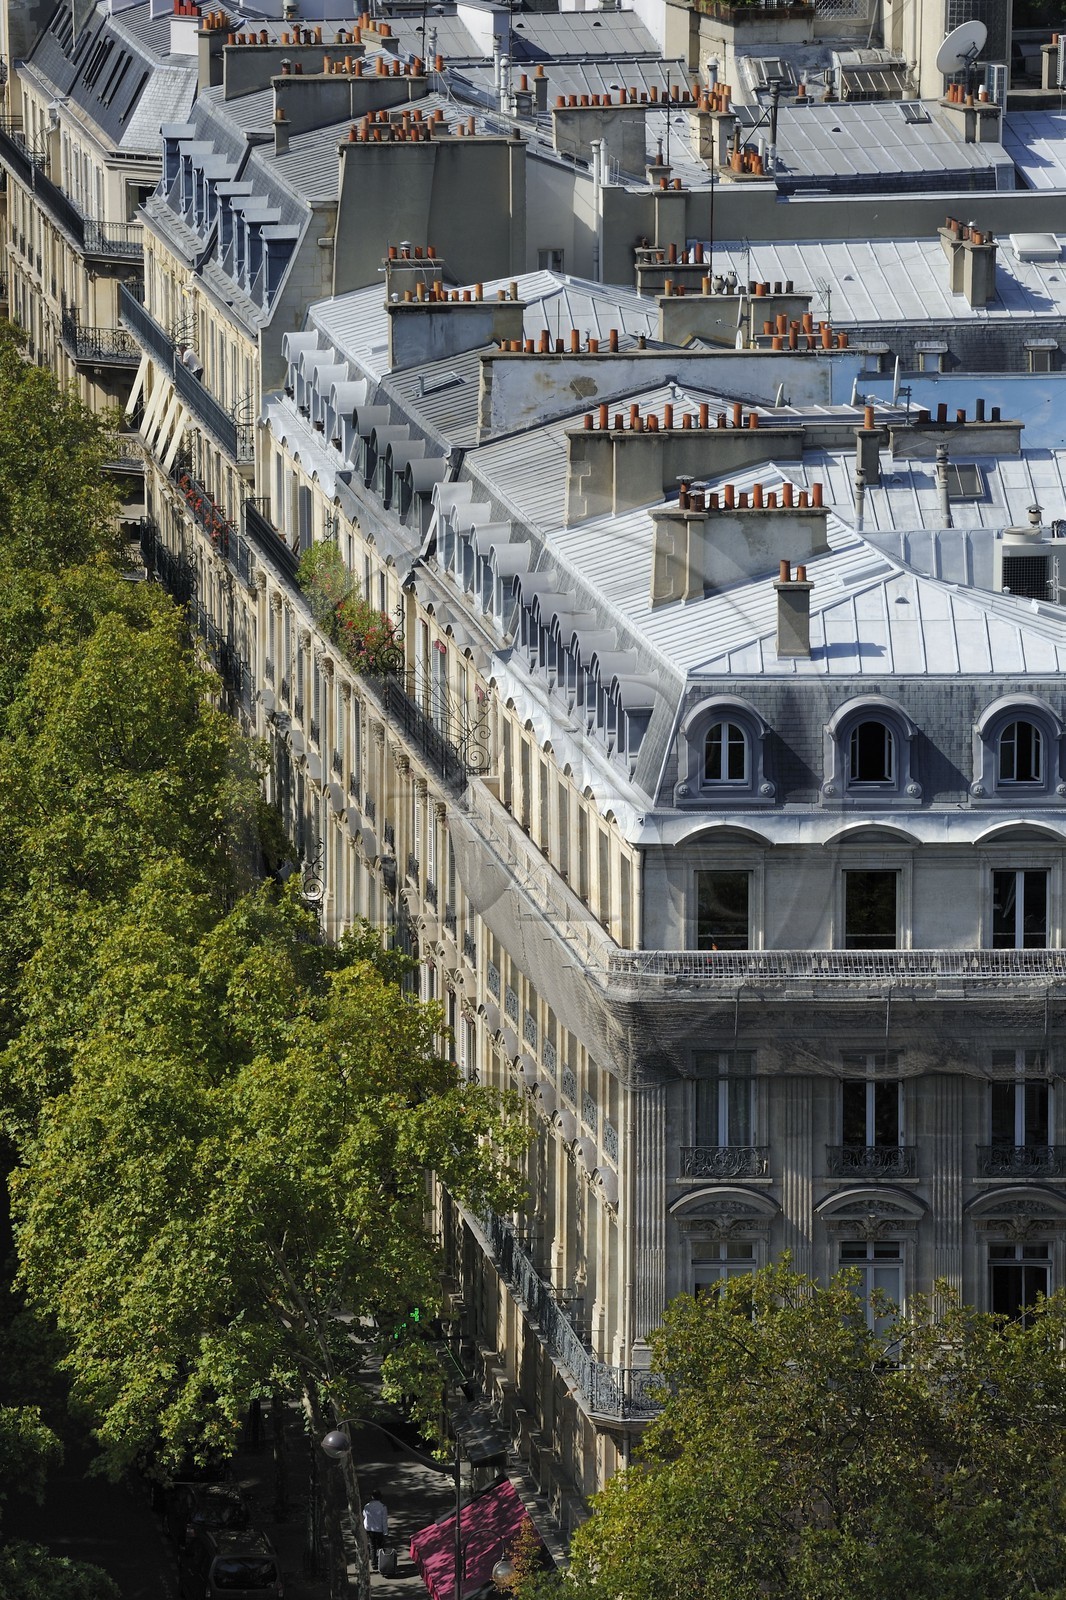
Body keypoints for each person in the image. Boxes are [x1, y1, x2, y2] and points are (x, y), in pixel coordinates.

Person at [363, 1490, 389, 1560]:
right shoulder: (383, 1507)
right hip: (379, 1530)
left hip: (369, 1529)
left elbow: (364, 1516)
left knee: (372, 1546)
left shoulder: (367, 1506)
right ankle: (381, 1561)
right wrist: (385, 1532)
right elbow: (384, 1521)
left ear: (372, 1497)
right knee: (380, 1546)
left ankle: (373, 1562)